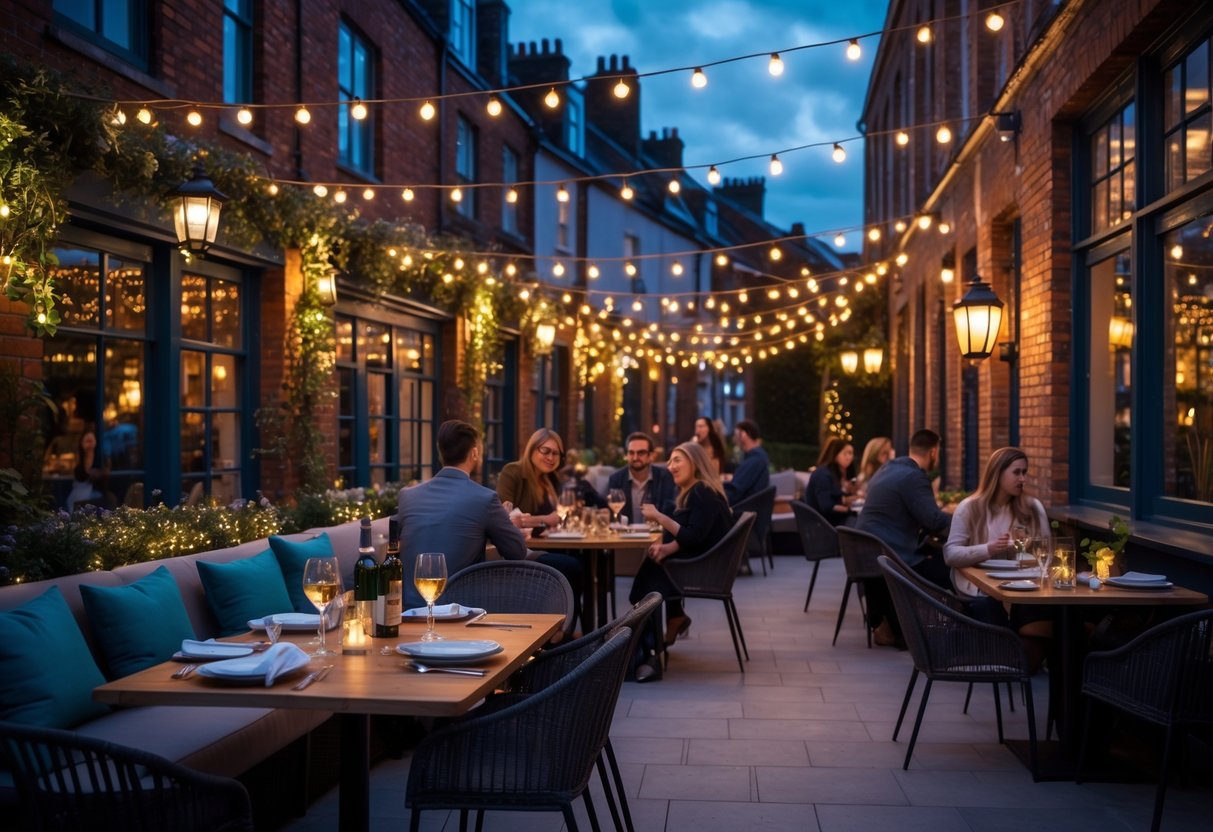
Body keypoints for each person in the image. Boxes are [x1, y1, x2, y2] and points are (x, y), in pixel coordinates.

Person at [396, 420, 528, 609]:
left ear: (440, 452)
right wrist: (505, 521)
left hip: (407, 610)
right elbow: (517, 552)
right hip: (460, 612)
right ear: (474, 453)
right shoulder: (485, 498)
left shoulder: (408, 495)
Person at [630, 441, 733, 676]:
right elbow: (697, 535)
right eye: (669, 461)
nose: (670, 466)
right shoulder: (698, 491)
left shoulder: (702, 491)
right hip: (703, 562)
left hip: (705, 570)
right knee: (654, 566)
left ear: (695, 462)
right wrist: (668, 548)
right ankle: (653, 641)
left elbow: (695, 537)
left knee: (650, 582)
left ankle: (647, 651)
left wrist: (659, 517)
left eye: (677, 460)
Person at [943, 447, 1052, 666]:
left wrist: (1026, 552)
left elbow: (1046, 552)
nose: (1023, 478)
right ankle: (1012, 657)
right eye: (1017, 472)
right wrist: (989, 549)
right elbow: (951, 554)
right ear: (997, 473)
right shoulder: (970, 508)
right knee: (994, 614)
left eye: (1025, 472)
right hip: (979, 588)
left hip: (1024, 585)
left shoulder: (1032, 507)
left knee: (1051, 615)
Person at [855, 428, 952, 646]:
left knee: (935, 556)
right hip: (892, 556)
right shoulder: (913, 476)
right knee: (953, 571)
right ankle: (958, 631)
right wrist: (966, 520)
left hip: (866, 552)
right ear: (934, 452)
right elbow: (934, 521)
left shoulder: (888, 468)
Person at [496, 428, 585, 617]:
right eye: (545, 451)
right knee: (572, 566)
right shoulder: (513, 472)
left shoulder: (550, 479)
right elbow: (505, 518)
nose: (551, 457)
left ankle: (572, 628)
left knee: (584, 559)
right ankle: (561, 631)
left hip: (550, 544)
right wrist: (546, 520)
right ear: (532, 449)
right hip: (522, 550)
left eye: (556, 453)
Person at [603, 432, 677, 525]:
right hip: (625, 536)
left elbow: (670, 513)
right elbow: (610, 513)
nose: (635, 457)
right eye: (631, 453)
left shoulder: (665, 477)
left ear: (651, 456)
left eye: (641, 453)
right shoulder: (616, 479)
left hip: (657, 536)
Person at [807, 438, 856, 526]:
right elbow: (826, 506)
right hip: (825, 525)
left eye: (851, 453)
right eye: (845, 453)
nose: (849, 457)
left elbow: (833, 498)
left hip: (830, 522)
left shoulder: (833, 473)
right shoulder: (823, 475)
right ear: (835, 454)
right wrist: (850, 510)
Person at [724, 419, 769, 505]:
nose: (734, 439)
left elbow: (733, 492)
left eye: (736, 435)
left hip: (741, 511)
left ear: (744, 435)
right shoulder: (758, 457)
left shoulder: (755, 460)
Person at [66, 430, 114, 511]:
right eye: (86, 438)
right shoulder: (78, 460)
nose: (89, 438)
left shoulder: (101, 459)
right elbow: (82, 475)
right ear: (81, 443)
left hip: (96, 500)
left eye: (91, 438)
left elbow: (105, 475)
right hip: (78, 499)